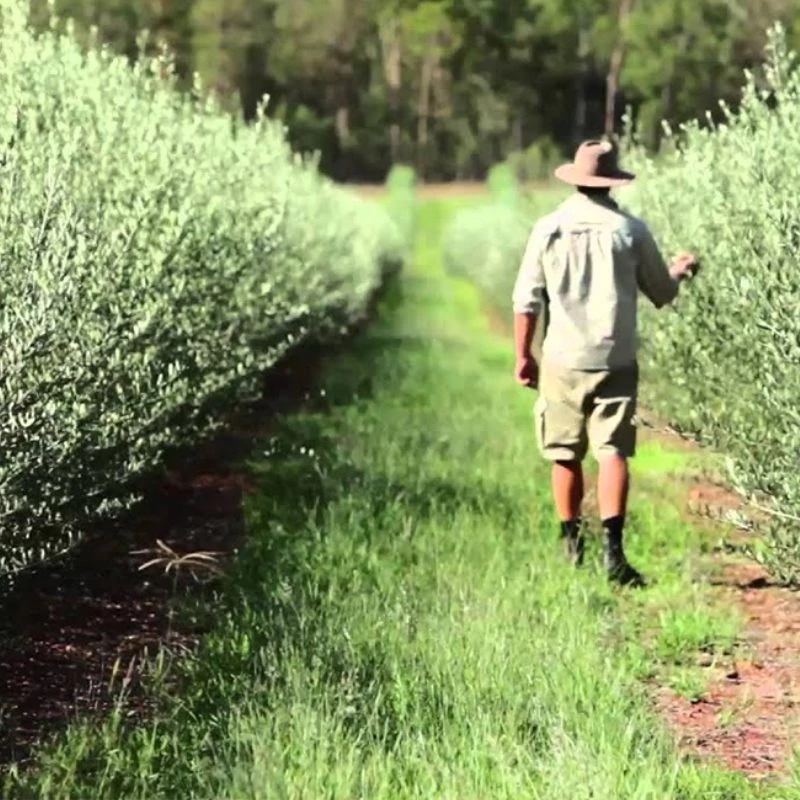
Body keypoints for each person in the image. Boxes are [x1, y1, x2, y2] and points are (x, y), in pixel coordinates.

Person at [511, 139, 699, 587]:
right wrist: (678, 271)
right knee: (613, 452)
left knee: (564, 454)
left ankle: (571, 547)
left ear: (576, 179)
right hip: (615, 357)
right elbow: (662, 292)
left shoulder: (548, 228)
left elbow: (526, 299)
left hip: (562, 357)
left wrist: (523, 355)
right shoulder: (630, 231)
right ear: (612, 182)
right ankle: (614, 555)